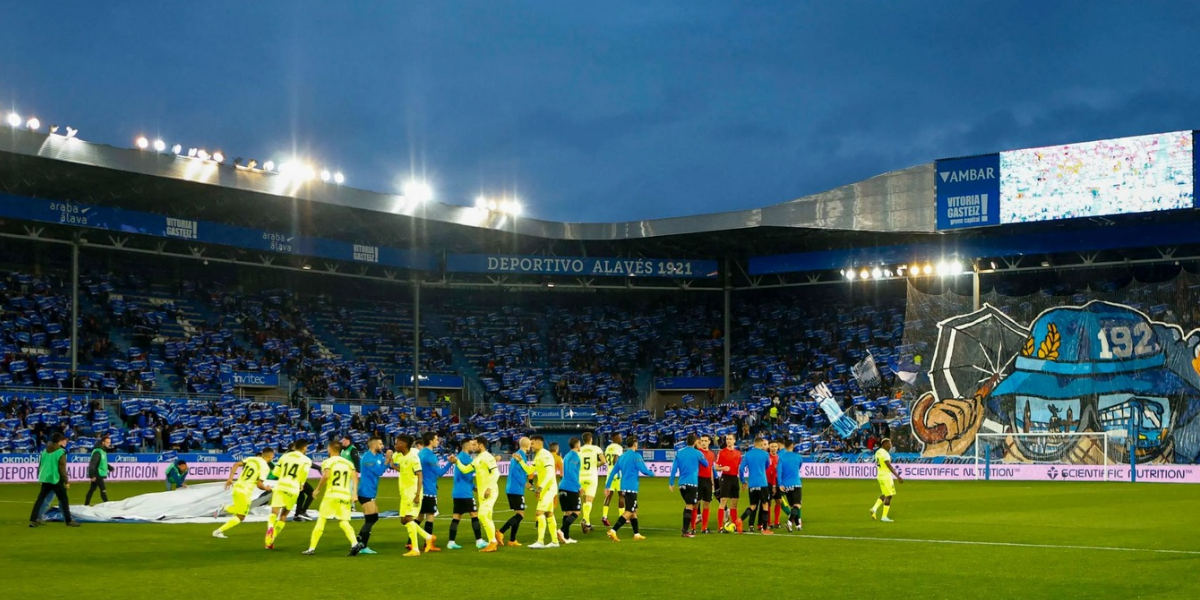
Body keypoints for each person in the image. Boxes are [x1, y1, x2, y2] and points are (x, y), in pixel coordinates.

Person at [303, 440, 361, 556]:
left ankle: (311, 548)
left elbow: (327, 475)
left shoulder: (328, 462)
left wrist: (317, 489)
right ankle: (354, 544)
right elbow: (355, 478)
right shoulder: (348, 463)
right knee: (344, 522)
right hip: (345, 494)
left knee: (321, 520)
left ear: (329, 449)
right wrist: (354, 493)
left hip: (332, 494)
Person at [213, 446, 275, 538]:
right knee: (241, 516)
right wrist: (267, 489)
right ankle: (218, 531)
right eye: (272, 456)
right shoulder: (265, 467)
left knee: (239, 511)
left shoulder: (251, 459)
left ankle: (224, 507)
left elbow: (236, 464)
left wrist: (230, 478)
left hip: (237, 487)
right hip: (245, 491)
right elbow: (259, 485)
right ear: (270, 456)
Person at [392, 435, 437, 556]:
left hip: (412, 493)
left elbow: (420, 476)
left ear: (403, 444)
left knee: (409, 518)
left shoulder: (413, 458)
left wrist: (417, 494)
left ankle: (415, 549)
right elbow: (403, 470)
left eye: (397, 443)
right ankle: (428, 536)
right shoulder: (402, 457)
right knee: (404, 520)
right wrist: (392, 463)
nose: (395, 445)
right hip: (404, 493)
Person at [604, 436, 654, 542]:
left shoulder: (622, 457)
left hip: (624, 486)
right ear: (635, 444)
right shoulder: (636, 456)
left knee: (634, 510)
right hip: (631, 487)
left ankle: (636, 533)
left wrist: (607, 486)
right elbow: (643, 470)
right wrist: (652, 473)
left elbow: (613, 472)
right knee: (629, 511)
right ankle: (613, 530)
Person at [265, 439, 313, 549]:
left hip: (281, 485)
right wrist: (301, 483)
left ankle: (270, 527)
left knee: (274, 513)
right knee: (283, 515)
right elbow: (304, 472)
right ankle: (271, 539)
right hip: (293, 488)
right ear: (304, 448)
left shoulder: (284, 457)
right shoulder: (306, 460)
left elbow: (275, 472)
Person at [29, 432, 78, 528]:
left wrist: (40, 476)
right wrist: (66, 481)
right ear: (60, 441)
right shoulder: (60, 452)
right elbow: (62, 468)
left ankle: (33, 520)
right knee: (63, 499)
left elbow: (40, 465)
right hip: (56, 479)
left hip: (45, 478)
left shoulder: (45, 451)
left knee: (40, 499)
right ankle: (69, 521)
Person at [462, 436, 501, 553]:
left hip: (490, 491)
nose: (472, 447)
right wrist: (456, 462)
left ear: (481, 445)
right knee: (487, 517)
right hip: (482, 493)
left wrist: (489, 488)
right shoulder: (478, 458)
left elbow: (496, 473)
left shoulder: (488, 457)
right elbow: (465, 470)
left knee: (482, 516)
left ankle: (493, 541)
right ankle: (493, 541)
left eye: (474, 444)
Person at [521, 435, 560, 549]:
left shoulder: (545, 455)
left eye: (532, 443)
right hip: (546, 488)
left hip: (548, 488)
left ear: (539, 442)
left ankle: (540, 541)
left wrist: (540, 487)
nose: (531, 446)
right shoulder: (538, 456)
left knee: (539, 513)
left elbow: (549, 473)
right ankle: (554, 541)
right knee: (549, 514)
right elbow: (529, 470)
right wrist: (521, 462)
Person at [668, 434, 709, 538]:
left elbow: (674, 469)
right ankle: (685, 531)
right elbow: (706, 464)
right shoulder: (697, 453)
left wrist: (671, 483)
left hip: (681, 484)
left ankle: (684, 527)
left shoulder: (679, 452)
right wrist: (700, 453)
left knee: (688, 505)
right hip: (692, 483)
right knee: (690, 506)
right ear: (695, 442)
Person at [354, 436, 390, 554]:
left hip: (372, 491)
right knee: (370, 519)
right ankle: (362, 546)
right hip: (365, 492)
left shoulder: (378, 456)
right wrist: (388, 459)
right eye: (380, 444)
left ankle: (359, 540)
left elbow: (386, 465)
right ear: (374, 445)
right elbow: (379, 471)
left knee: (373, 518)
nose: (382, 446)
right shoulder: (367, 458)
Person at [497, 436, 533, 547]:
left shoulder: (519, 455)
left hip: (513, 488)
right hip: (516, 489)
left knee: (518, 514)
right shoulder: (520, 456)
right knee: (520, 515)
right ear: (528, 445)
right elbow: (515, 472)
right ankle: (501, 532)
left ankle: (512, 540)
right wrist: (524, 483)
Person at [447, 440, 483, 550]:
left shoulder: (460, 457)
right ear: (466, 445)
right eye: (472, 444)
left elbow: (464, 476)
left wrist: (473, 487)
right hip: (465, 493)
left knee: (456, 517)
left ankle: (451, 542)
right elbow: (470, 471)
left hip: (457, 492)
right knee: (474, 515)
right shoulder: (467, 458)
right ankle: (479, 541)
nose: (473, 446)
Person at [417, 433, 451, 540]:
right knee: (430, 516)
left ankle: (410, 541)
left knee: (420, 516)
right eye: (436, 439)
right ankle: (428, 542)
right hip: (429, 490)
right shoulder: (431, 456)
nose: (438, 441)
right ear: (430, 441)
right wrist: (450, 463)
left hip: (421, 489)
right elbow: (440, 472)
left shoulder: (420, 453)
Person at [738, 437, 772, 535]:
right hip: (762, 483)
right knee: (765, 505)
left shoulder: (747, 454)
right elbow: (767, 466)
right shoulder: (765, 454)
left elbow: (741, 469)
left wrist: (743, 481)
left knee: (753, 506)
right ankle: (765, 529)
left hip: (752, 484)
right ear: (762, 445)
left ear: (754, 444)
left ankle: (740, 519)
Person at [555, 437, 583, 544]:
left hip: (562, 486)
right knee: (576, 511)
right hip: (570, 487)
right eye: (579, 444)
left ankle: (566, 537)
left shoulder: (566, 456)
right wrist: (578, 486)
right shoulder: (574, 457)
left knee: (567, 513)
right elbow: (571, 472)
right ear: (576, 445)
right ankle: (561, 530)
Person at [870, 438, 903, 522]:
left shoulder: (878, 452)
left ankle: (874, 509)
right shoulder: (885, 454)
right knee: (889, 495)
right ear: (884, 444)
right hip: (886, 476)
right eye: (889, 443)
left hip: (880, 475)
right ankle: (884, 517)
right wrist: (897, 476)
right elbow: (889, 465)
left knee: (884, 494)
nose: (890, 445)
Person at [576, 432, 604, 533]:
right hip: (592, 476)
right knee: (589, 500)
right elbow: (604, 461)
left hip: (581, 477)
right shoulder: (596, 448)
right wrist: (596, 465)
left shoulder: (580, 450)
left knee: (585, 501)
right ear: (591, 439)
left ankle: (587, 523)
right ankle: (585, 519)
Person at [715, 433, 742, 532]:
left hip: (734, 478)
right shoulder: (721, 453)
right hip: (725, 478)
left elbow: (741, 467)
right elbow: (716, 467)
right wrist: (723, 468)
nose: (728, 441)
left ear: (734, 441)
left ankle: (734, 524)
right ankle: (720, 527)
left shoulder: (738, 453)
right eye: (727, 439)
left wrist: (743, 481)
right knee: (723, 501)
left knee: (734, 503)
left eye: (730, 439)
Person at [776, 438, 804, 531]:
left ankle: (797, 525)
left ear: (785, 446)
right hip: (796, 483)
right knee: (798, 505)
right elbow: (800, 466)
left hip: (786, 485)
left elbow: (779, 472)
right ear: (792, 446)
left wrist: (780, 484)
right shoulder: (798, 456)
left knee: (792, 506)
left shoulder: (781, 458)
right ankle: (789, 522)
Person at [694, 435, 717, 533]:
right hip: (698, 479)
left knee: (707, 504)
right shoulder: (697, 453)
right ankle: (693, 528)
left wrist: (712, 484)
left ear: (709, 442)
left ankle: (704, 527)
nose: (703, 442)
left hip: (707, 480)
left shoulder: (712, 454)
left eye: (705, 441)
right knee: (696, 503)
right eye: (702, 441)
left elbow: (711, 469)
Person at [601, 432, 624, 527]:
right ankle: (622, 517)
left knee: (608, 496)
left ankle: (604, 516)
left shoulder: (608, 448)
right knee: (622, 495)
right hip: (617, 475)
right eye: (620, 436)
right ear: (615, 438)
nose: (621, 438)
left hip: (609, 474)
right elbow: (616, 459)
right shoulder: (618, 448)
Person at [85, 434, 113, 505]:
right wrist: (92, 475)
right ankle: (107, 505)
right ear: (103, 442)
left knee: (92, 489)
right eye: (107, 442)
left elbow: (101, 462)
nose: (109, 444)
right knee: (103, 489)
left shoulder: (102, 451)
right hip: (97, 473)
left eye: (109, 442)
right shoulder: (98, 451)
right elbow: (93, 463)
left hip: (97, 473)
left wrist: (109, 467)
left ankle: (86, 504)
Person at [766, 439, 781, 529]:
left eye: (775, 446)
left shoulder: (779, 458)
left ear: (778, 447)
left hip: (778, 482)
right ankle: (769, 522)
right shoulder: (767, 458)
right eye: (772, 446)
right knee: (768, 502)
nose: (774, 448)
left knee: (779, 501)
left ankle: (776, 521)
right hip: (768, 482)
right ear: (769, 447)